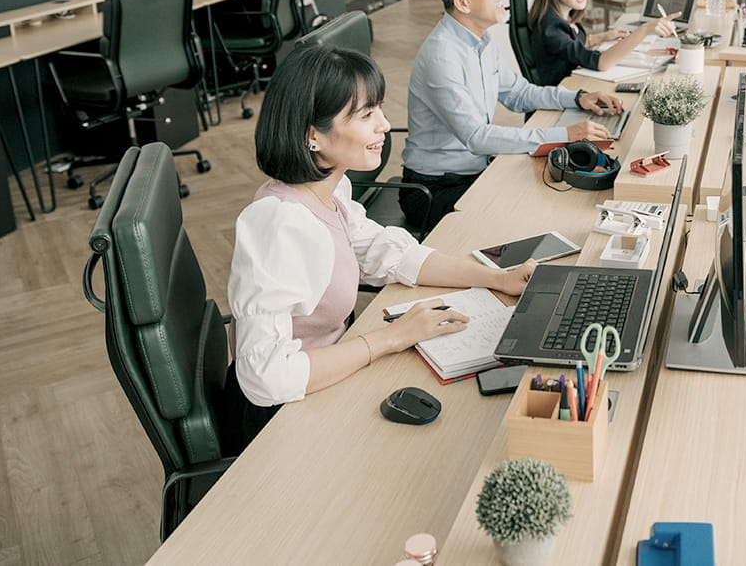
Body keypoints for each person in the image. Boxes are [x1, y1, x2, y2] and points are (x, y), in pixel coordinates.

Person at [225, 44, 538, 450]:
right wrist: (391, 339)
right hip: (281, 416)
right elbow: (266, 378)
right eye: (367, 115)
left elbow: (388, 254)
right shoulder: (279, 224)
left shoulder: (330, 187)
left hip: (332, 375)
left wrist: (498, 278)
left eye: (380, 111)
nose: (386, 125)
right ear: (312, 136)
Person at [401, 0, 622, 230]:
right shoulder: (442, 56)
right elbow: (477, 137)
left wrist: (578, 98)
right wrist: (564, 134)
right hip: (434, 191)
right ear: (463, 3)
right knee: (537, 207)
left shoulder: (479, 41)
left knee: (559, 187)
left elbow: (519, 94)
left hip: (473, 172)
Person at [527, 0, 678, 86]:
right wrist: (644, 30)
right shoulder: (551, 28)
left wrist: (603, 37)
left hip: (573, 87)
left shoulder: (563, 18)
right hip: (558, 102)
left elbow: (571, 47)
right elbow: (601, 63)